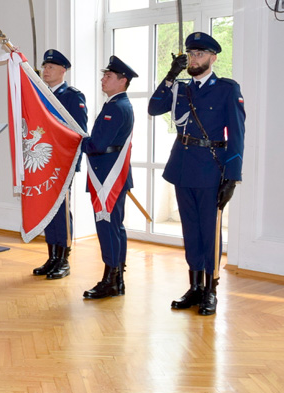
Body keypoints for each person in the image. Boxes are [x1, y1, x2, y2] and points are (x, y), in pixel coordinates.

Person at [148, 32, 245, 316]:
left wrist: (232, 177)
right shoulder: (179, 87)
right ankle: (194, 287)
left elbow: (237, 135)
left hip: (210, 168)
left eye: (200, 54)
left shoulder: (227, 89)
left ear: (213, 58)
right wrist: (170, 75)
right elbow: (154, 108)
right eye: (191, 55)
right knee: (190, 230)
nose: (194, 59)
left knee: (209, 231)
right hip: (182, 166)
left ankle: (211, 290)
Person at [81, 56, 136, 299]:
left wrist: (75, 140)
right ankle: (118, 279)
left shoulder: (116, 107)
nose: (103, 79)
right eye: (104, 75)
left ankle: (110, 281)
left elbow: (98, 144)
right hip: (111, 174)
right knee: (115, 228)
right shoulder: (117, 104)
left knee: (107, 228)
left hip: (108, 177)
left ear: (122, 81)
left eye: (109, 76)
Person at [33, 49, 88, 280]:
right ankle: (52, 256)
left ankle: (63, 258)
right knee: (49, 209)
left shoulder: (72, 96)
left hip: (63, 162)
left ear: (63, 70)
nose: (46, 70)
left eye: (51, 67)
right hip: (43, 161)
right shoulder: (39, 95)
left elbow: (80, 132)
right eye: (45, 67)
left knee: (61, 211)